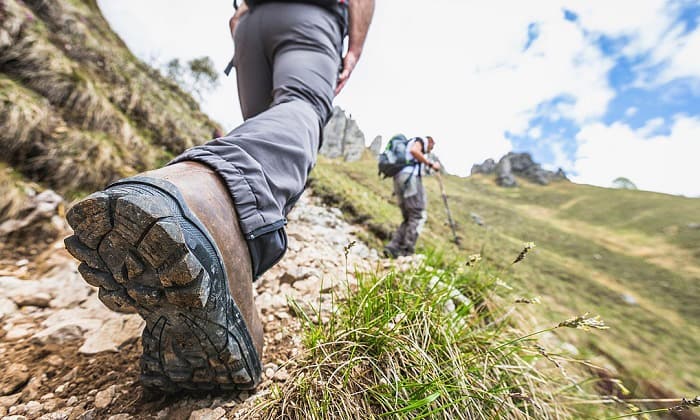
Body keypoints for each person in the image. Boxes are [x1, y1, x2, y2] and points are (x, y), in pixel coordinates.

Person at [64, 0, 375, 393]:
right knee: (301, 107)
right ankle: (204, 199)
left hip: (250, 26)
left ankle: (223, 273)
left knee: (265, 130)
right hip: (310, 16)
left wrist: (242, 18)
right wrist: (355, 47)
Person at [384, 136, 440, 258]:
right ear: (429, 141)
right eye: (432, 146)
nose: (431, 149)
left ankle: (393, 247)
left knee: (408, 217)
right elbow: (414, 151)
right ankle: (406, 250)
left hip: (399, 179)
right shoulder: (420, 141)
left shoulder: (406, 148)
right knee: (417, 214)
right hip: (410, 180)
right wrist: (430, 164)